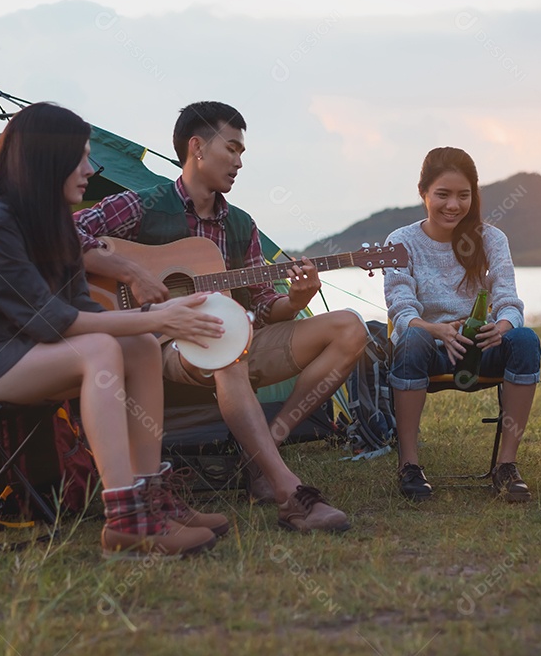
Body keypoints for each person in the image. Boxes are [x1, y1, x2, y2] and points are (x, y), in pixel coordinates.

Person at [0, 102, 231, 558]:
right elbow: (51, 322)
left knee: (137, 344)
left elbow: (77, 308)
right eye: (79, 157)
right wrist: (159, 318)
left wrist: (160, 315)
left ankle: (151, 497)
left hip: (14, 355)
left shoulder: (55, 224)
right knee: (98, 349)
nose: (89, 170)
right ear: (45, 161)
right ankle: (126, 519)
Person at [74, 101, 365, 532]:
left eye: (242, 152)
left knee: (350, 327)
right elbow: (67, 233)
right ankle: (290, 493)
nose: (239, 162)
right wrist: (131, 271)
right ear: (197, 148)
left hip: (223, 343)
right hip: (156, 343)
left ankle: (262, 455)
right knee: (225, 340)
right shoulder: (142, 205)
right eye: (231, 148)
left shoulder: (241, 226)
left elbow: (267, 306)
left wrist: (297, 297)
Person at [384, 147, 540, 502]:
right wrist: (434, 329)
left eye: (463, 195)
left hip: (480, 349)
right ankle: (409, 464)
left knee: (525, 339)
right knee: (410, 337)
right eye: (443, 194)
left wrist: (501, 326)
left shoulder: (491, 239)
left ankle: (506, 466)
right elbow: (401, 308)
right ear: (423, 193)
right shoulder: (401, 241)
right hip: (430, 351)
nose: (453, 205)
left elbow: (508, 299)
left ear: (474, 196)